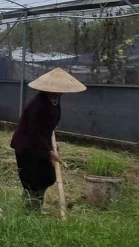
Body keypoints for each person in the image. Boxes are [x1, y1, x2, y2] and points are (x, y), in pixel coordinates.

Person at [11, 67, 85, 212]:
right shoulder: (38, 104)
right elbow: (33, 132)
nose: (61, 91)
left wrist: (51, 147)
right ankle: (31, 210)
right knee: (31, 180)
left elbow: (47, 127)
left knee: (47, 177)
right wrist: (49, 152)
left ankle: (36, 205)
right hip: (27, 145)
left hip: (42, 144)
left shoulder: (55, 99)